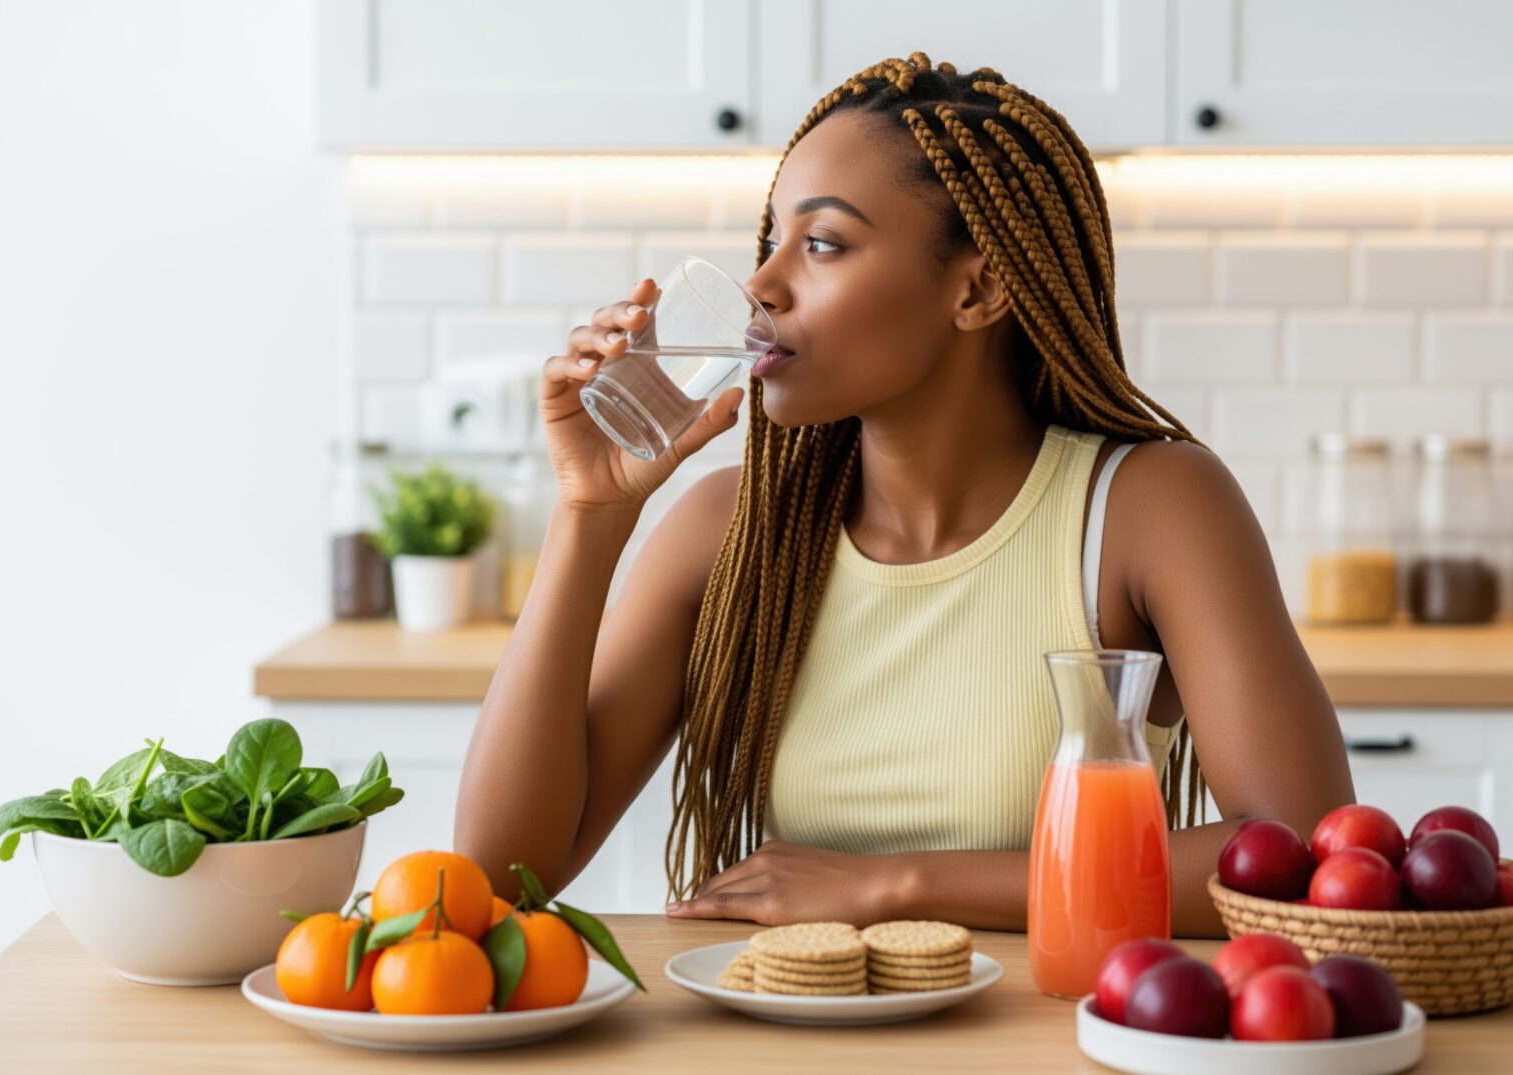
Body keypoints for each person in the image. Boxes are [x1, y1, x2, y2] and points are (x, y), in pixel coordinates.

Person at [455, 53, 1354, 937]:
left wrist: (893, 885)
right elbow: (498, 877)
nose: (762, 287)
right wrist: (590, 514)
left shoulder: (1150, 508)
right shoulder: (725, 528)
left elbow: (1301, 856)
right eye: (771, 238)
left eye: (822, 244)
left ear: (979, 289)